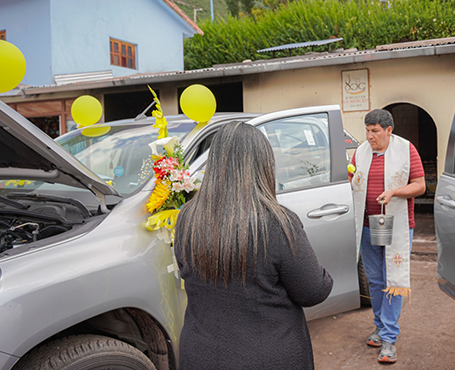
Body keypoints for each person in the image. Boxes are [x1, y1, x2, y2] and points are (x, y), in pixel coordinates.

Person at [174, 121, 333, 370]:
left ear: (215, 163)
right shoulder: (277, 222)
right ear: (264, 165)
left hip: (200, 354)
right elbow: (313, 290)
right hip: (265, 357)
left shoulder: (187, 217)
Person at [349, 109, 426, 364]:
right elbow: (352, 178)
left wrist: (393, 192)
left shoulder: (406, 149)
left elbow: (420, 185)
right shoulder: (361, 151)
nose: (370, 136)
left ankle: (390, 338)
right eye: (367, 131)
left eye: (375, 131)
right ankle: (380, 327)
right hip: (368, 225)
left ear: (389, 130)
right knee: (374, 279)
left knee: (392, 280)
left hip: (397, 225)